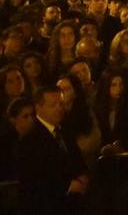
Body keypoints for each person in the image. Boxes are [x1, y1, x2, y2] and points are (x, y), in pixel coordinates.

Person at [14, 85, 89, 214]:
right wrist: (68, 185)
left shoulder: (64, 131)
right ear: (38, 108)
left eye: (61, 103)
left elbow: (76, 160)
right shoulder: (30, 139)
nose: (59, 109)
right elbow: (35, 178)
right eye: (53, 105)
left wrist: (83, 175)